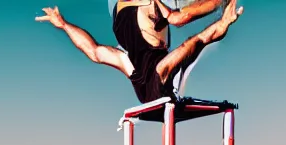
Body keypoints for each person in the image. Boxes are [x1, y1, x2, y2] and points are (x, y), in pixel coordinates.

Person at [36, 0, 243, 104]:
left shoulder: (146, 68)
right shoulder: (131, 65)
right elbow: (94, 51)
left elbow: (193, 37)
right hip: (124, 12)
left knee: (187, 40)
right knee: (185, 36)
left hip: (132, 13)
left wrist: (63, 25)